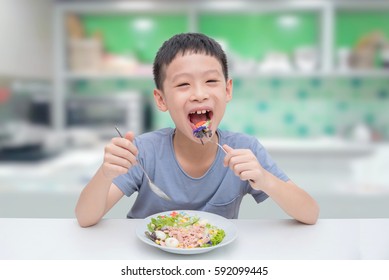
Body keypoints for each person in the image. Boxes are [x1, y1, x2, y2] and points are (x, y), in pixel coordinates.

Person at [75, 33, 319, 227]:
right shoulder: (145, 151)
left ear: (227, 90)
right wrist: (105, 174)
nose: (199, 94)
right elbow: (85, 218)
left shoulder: (245, 150)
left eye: (211, 81)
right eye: (183, 84)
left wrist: (266, 180)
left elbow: (309, 213)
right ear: (161, 100)